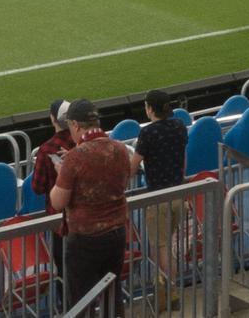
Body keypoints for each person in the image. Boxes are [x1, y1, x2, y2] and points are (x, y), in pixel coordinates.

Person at [50, 99, 137, 318]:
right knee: (112, 294)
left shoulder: (75, 158)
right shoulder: (119, 149)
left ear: (76, 126)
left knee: (80, 301)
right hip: (116, 233)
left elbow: (57, 201)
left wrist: (62, 172)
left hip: (85, 238)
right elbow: (123, 181)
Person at [134, 90, 188, 303]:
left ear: (150, 109)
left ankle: (170, 290)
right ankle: (166, 287)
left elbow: (132, 166)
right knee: (167, 245)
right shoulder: (179, 126)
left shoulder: (148, 133)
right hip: (178, 195)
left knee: (161, 247)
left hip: (159, 199)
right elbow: (183, 160)